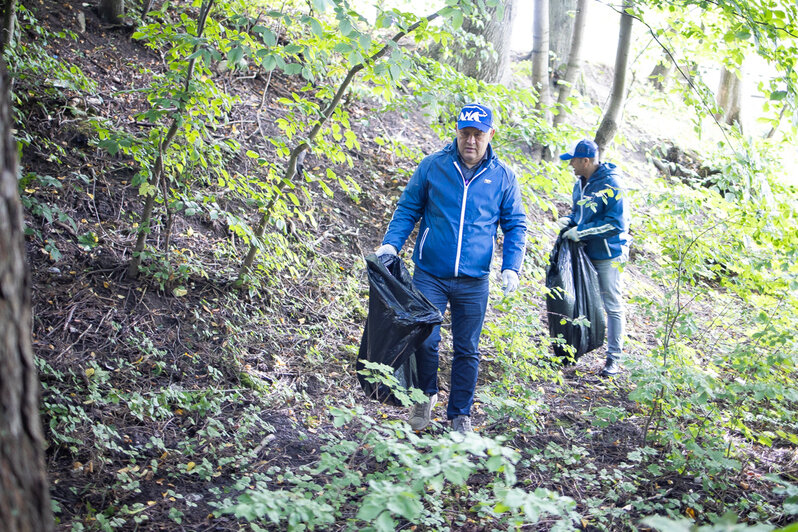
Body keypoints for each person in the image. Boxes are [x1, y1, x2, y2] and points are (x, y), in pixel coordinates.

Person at [376, 103, 527, 433]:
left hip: (475, 280)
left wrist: (512, 266)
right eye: (465, 134)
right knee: (426, 341)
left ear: (490, 135)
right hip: (431, 272)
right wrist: (391, 244)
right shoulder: (433, 167)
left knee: (466, 349)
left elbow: (515, 224)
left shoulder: (503, 177)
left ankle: (460, 415)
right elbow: (407, 209)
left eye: (478, 134)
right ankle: (424, 397)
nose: (470, 141)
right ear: (456, 133)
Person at [557, 139, 630, 377]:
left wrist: (583, 232)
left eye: (574, 161)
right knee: (582, 302)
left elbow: (617, 224)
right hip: (586, 254)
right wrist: (570, 221)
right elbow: (580, 213)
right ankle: (575, 349)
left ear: (586, 161)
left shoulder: (611, 184)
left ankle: (614, 359)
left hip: (609, 255)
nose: (571, 166)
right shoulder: (580, 183)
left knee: (612, 305)